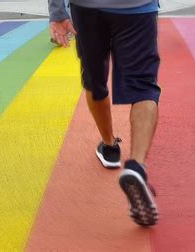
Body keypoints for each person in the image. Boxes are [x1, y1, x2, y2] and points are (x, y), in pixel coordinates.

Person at [48, 0, 160, 226]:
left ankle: (109, 147)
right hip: (136, 6)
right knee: (143, 85)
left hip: (87, 7)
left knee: (94, 80)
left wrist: (57, 11)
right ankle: (136, 166)